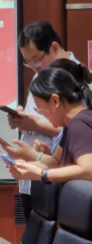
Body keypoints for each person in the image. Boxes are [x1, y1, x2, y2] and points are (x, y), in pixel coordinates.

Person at [6, 22, 83, 219]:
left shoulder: (79, 115)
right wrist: (31, 156)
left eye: (36, 59)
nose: (33, 67)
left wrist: (37, 125)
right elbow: (56, 160)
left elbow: (87, 167)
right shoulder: (41, 76)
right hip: (41, 176)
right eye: (27, 62)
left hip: (66, 190)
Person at [8, 67, 92, 183]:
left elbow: (88, 170)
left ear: (55, 101)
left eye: (39, 107)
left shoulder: (78, 123)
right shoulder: (70, 124)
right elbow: (56, 163)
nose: (41, 113)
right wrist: (25, 166)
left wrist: (42, 174)